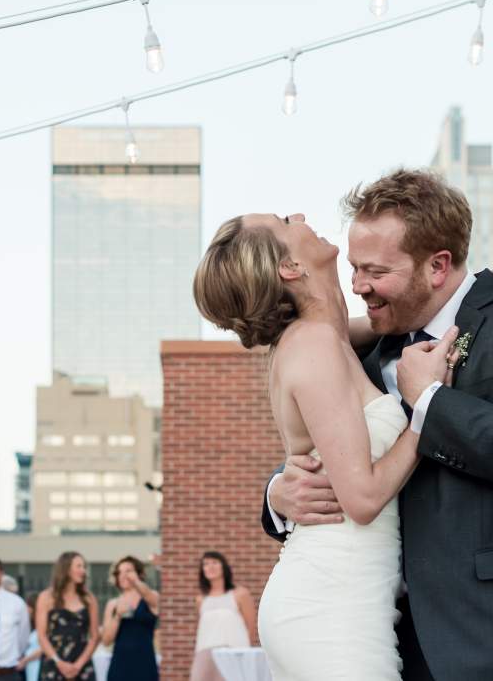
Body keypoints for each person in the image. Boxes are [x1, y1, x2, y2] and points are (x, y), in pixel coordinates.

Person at [193, 189, 459, 681]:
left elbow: (386, 322)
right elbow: (361, 498)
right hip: (330, 610)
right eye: (283, 220)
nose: (298, 214)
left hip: (346, 598)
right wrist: (426, 407)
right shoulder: (314, 346)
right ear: (290, 267)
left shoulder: (325, 334)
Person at [256, 168, 493, 681]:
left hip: (477, 632)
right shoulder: (368, 345)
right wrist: (279, 493)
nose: (358, 284)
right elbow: (345, 447)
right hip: (379, 633)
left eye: (374, 271)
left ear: (438, 265)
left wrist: (429, 401)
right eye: (355, 267)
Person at [190, 552, 255, 681]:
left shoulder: (240, 594)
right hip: (205, 652)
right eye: (206, 564)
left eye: (214, 562)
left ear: (223, 567)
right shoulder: (200, 599)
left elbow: (251, 626)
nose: (210, 567)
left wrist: (245, 654)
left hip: (234, 651)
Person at [36, 552, 98, 681]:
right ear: (66, 569)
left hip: (82, 663)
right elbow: (41, 636)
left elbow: (94, 636)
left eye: (84, 567)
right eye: (79, 566)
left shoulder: (89, 598)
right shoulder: (46, 597)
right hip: (54, 664)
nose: (83, 571)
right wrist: (59, 662)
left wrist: (78, 665)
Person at [101, 556, 159, 681]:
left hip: (145, 664)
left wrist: (136, 582)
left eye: (128, 571)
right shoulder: (112, 604)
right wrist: (117, 616)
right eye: (120, 572)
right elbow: (106, 641)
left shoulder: (151, 597)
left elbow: (152, 599)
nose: (123, 575)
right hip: (120, 666)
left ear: (139, 574)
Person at [17, 594, 41, 681]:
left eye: (27, 606)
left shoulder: (42, 625)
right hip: (29, 666)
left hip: (38, 665)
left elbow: (43, 649)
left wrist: (25, 660)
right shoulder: (29, 624)